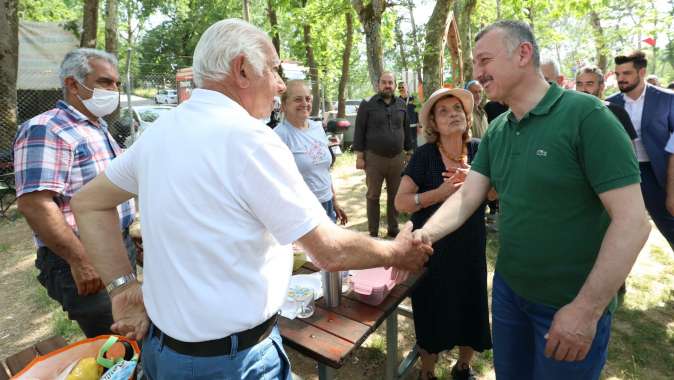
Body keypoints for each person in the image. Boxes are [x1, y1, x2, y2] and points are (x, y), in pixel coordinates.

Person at [70, 19, 432, 379]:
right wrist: (397, 252)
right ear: (242, 69)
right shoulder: (249, 138)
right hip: (232, 363)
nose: (279, 85)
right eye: (274, 69)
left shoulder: (161, 131)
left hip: (165, 355)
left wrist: (122, 288)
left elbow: (89, 203)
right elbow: (326, 250)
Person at [415, 20, 650, 380]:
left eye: (485, 60)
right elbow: (467, 197)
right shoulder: (497, 129)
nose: (478, 73)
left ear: (523, 53)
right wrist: (423, 236)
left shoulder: (588, 117)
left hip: (568, 305)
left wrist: (586, 311)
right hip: (510, 293)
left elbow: (633, 222)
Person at [12, 48, 137, 337]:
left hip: (113, 246)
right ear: (72, 84)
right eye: (105, 82)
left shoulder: (97, 127)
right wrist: (79, 260)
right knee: (115, 338)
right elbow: (35, 203)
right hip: (83, 252)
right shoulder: (46, 129)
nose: (114, 90)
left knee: (130, 329)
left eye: (116, 83)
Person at [395, 88, 492, 380]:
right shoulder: (424, 156)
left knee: (471, 304)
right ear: (434, 124)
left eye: (457, 109)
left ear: (467, 115)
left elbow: (498, 192)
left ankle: (463, 367)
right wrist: (439, 194)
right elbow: (401, 202)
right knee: (432, 310)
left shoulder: (480, 149)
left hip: (471, 245)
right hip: (431, 250)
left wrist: (476, 178)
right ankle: (427, 370)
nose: (453, 115)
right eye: (444, 111)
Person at [607, 51, 674, 248]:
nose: (621, 79)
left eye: (626, 73)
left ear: (642, 71)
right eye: (618, 74)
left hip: (659, 174)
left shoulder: (667, 99)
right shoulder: (611, 102)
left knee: (669, 226)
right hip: (623, 174)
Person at [275, 80, 347, 224]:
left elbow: (324, 170)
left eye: (308, 99)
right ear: (283, 105)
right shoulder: (279, 135)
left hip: (326, 204)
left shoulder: (317, 128)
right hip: (301, 211)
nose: (305, 103)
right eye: (297, 99)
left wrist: (334, 201)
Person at [353, 71, 413, 238]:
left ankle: (393, 229)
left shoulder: (402, 104)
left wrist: (409, 151)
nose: (387, 85)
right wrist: (359, 156)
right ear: (378, 85)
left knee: (395, 195)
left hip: (397, 158)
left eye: (390, 82)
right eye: (384, 82)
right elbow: (359, 130)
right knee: (373, 195)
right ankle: (373, 232)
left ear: (394, 85)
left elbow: (406, 129)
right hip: (374, 158)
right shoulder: (368, 104)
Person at [575, 65, 637, 140]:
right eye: (579, 84)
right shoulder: (569, 113)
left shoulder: (617, 112)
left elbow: (631, 147)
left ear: (601, 87)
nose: (583, 89)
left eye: (589, 84)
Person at [398, 81, 419, 149]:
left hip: (413, 127)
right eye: (399, 87)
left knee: (414, 145)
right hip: (402, 127)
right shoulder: (397, 101)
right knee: (404, 145)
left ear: (407, 88)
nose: (401, 89)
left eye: (402, 87)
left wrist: (420, 126)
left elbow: (418, 111)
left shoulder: (414, 98)